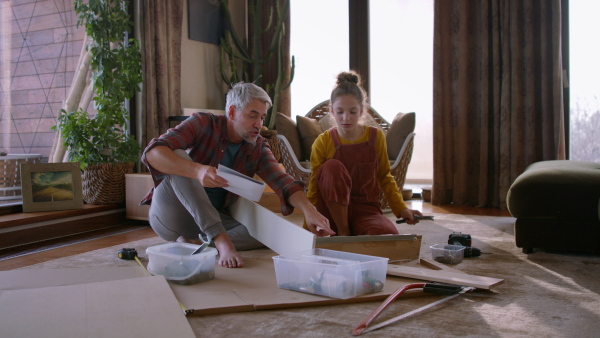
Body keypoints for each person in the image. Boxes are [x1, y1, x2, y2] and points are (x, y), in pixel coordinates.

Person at [141, 82, 334, 269]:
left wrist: (310, 211)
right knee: (177, 156)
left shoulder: (257, 146)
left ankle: (193, 243)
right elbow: (152, 152)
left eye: (262, 118)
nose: (258, 124)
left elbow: (283, 182)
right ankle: (221, 241)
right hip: (173, 215)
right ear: (232, 112)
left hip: (209, 222)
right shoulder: (203, 123)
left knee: (270, 232)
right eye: (252, 116)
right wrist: (197, 170)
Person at [307, 71, 423, 236]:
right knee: (332, 166)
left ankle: (354, 233)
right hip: (331, 214)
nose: (346, 118)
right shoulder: (323, 141)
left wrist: (401, 209)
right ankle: (343, 232)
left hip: (366, 211)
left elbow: (385, 177)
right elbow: (313, 186)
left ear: (362, 111)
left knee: (386, 237)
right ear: (331, 111)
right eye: (340, 111)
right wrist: (308, 223)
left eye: (352, 112)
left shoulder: (376, 138)